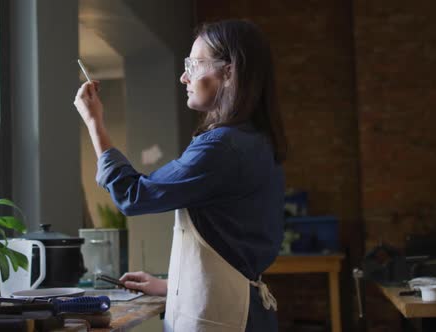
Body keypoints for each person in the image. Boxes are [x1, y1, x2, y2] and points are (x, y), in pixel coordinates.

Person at [74, 19, 286, 332]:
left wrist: (95, 124)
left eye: (194, 64)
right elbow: (233, 247)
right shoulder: (256, 140)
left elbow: (133, 195)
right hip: (246, 312)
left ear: (229, 72)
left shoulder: (221, 147)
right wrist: (170, 285)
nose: (184, 76)